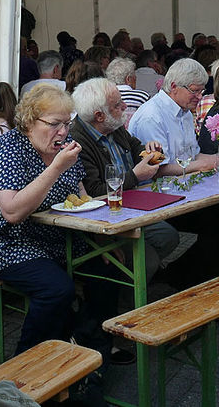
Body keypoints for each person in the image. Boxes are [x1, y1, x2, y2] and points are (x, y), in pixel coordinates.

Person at [0, 84, 119, 366]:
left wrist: (102, 242)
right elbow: (11, 212)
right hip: (6, 242)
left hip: (54, 236)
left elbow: (81, 199)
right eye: (54, 124)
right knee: (56, 289)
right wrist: (55, 168)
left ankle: (88, 350)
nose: (62, 131)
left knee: (108, 271)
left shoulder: (64, 149)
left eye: (67, 123)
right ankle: (25, 366)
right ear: (28, 121)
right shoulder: (7, 149)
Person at [128, 59, 219, 287]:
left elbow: (193, 155)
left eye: (201, 91)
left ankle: (184, 274)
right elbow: (156, 170)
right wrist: (199, 165)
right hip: (157, 195)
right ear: (174, 87)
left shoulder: (184, 111)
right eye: (195, 91)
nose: (200, 97)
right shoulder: (152, 116)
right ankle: (199, 284)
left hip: (182, 191)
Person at [69, 78, 179, 281]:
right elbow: (94, 191)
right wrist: (136, 176)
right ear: (99, 116)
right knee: (149, 260)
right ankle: (131, 301)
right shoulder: (77, 141)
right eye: (117, 105)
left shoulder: (114, 125)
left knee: (168, 237)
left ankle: (134, 278)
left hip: (131, 206)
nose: (125, 106)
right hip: (104, 217)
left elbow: (135, 146)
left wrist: (149, 150)